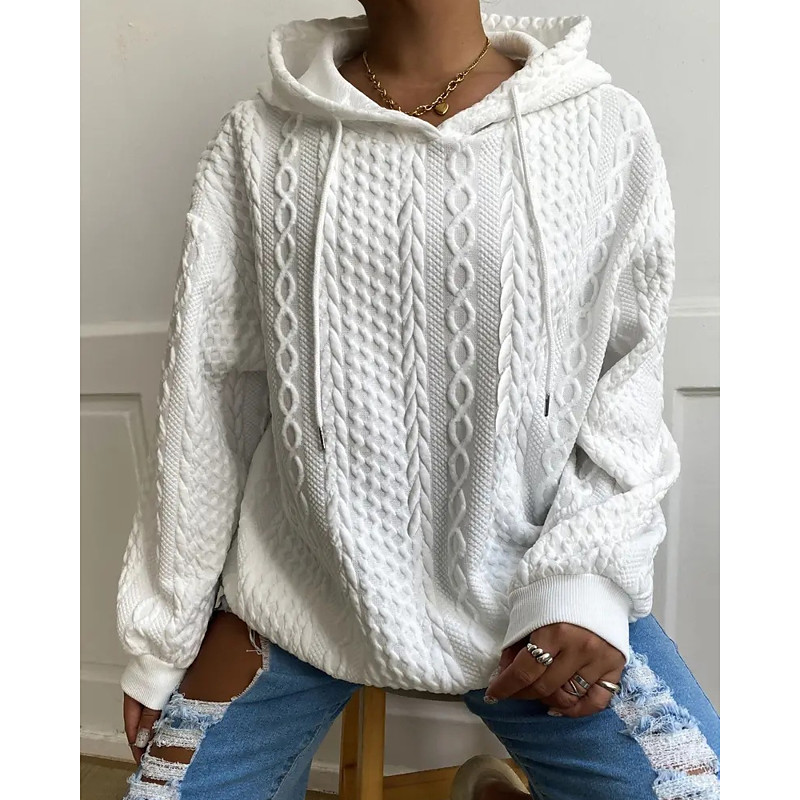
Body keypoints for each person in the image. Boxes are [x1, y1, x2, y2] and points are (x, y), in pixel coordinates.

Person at [116, 2, 720, 799]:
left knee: (691, 785)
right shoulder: (259, 137)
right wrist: (166, 631)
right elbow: (212, 389)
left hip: (530, 589)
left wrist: (582, 582)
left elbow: (625, 376)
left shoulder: (603, 124)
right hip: (297, 588)